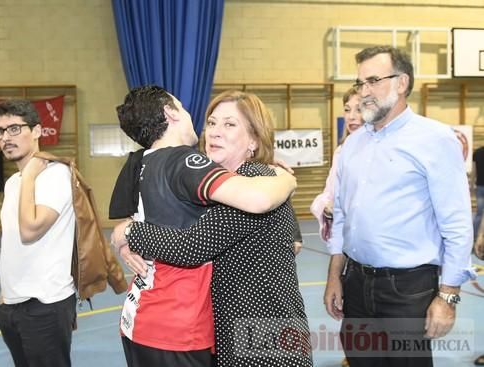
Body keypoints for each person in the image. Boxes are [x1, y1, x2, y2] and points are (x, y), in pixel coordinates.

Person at [112, 90, 313, 367]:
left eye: (230, 125)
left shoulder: (255, 177)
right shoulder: (220, 187)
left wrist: (127, 233)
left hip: (264, 334)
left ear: (253, 140)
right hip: (233, 330)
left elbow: (191, 246)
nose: (215, 132)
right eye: (212, 123)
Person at [324, 46, 474, 367]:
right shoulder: (353, 143)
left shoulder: (435, 139)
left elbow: (457, 224)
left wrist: (447, 296)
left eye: (373, 81)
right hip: (356, 283)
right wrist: (335, 276)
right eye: (360, 83)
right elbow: (342, 217)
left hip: (408, 289)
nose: (364, 92)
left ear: (402, 82)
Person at [0, 99, 76, 367]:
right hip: (11, 305)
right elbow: (12, 242)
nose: (6, 138)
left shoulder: (56, 175)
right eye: (0, 132)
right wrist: (4, 296)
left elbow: (30, 230)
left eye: (15, 129)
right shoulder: (12, 183)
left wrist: (29, 176)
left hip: (45, 304)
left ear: (38, 131)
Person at [310, 87, 363, 241]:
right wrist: (327, 207)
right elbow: (330, 193)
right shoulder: (341, 152)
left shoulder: (383, 150)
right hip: (347, 239)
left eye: (359, 110)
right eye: (347, 110)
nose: (351, 117)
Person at [472, 146, 484, 237]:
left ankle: (474, 236)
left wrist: (472, 184)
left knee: (479, 213)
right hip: (480, 186)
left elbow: (474, 170)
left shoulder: (477, 152)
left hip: (479, 186)